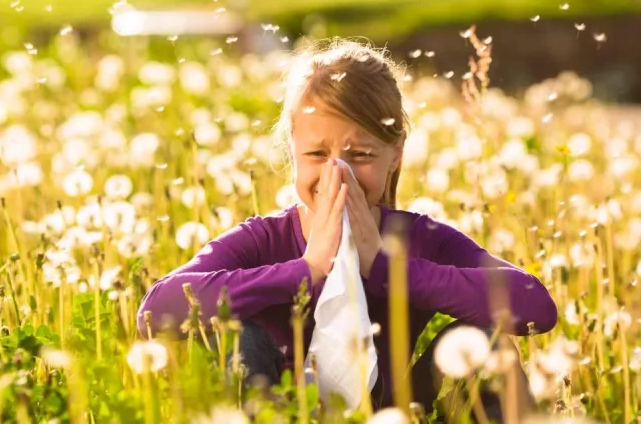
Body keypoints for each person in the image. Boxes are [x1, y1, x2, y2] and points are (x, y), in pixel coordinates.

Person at [137, 39, 558, 417]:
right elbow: (155, 312)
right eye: (318, 153)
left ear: (395, 155)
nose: (338, 173)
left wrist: (387, 267)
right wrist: (306, 270)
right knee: (236, 336)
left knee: (487, 342)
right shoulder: (265, 238)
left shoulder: (418, 239)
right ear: (293, 152)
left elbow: (536, 306)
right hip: (276, 410)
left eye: (360, 155)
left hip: (395, 414)